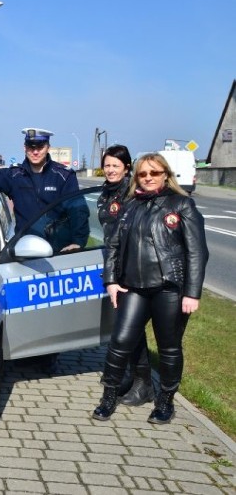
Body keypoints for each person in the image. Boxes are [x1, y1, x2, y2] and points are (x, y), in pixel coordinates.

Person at [94, 153, 209, 424]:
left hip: (169, 289)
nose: (148, 178)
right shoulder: (130, 206)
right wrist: (111, 281)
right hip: (133, 287)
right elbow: (113, 246)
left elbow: (197, 253)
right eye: (143, 174)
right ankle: (109, 396)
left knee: (169, 347)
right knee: (120, 342)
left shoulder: (182, 205)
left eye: (154, 173)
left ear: (165, 175)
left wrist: (192, 293)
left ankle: (165, 402)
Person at [97, 144, 154, 406]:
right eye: (107, 165)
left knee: (131, 327)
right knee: (128, 326)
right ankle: (132, 377)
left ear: (127, 167)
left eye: (115, 166)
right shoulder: (106, 192)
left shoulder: (135, 193)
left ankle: (144, 384)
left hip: (133, 268)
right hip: (116, 265)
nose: (110, 170)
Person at [0, 127, 88, 253]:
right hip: (26, 251)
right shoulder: (15, 175)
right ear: (24, 148)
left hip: (58, 251)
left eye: (40, 147)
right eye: (31, 147)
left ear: (48, 147)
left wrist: (78, 242)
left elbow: (78, 211)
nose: (35, 152)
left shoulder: (63, 176)